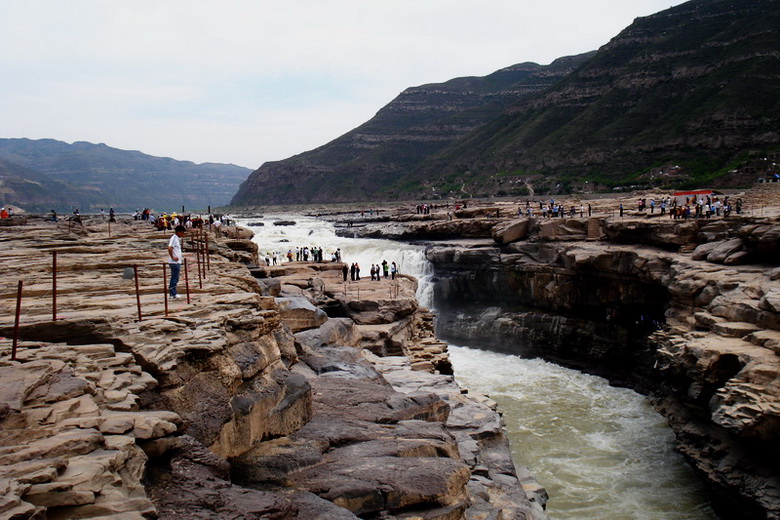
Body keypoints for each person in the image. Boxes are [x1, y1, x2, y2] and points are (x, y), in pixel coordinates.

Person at [167, 225, 186, 299]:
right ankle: (173, 293)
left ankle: (173, 292)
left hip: (177, 262)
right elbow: (169, 248)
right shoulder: (174, 238)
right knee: (174, 278)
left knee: (176, 278)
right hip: (174, 262)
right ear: (179, 232)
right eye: (182, 232)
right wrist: (173, 257)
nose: (183, 234)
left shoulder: (176, 239)